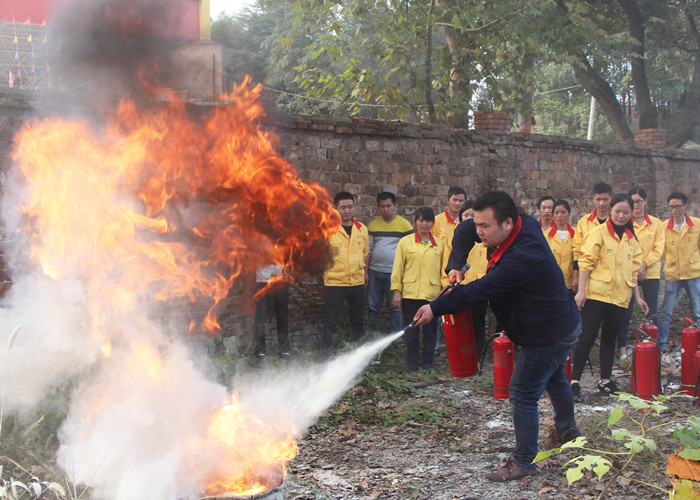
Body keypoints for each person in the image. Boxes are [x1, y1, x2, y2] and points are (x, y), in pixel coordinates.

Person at [414, 191, 582, 481]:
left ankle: (524, 461)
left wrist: (435, 307)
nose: (479, 233)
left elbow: (480, 290)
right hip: (550, 324)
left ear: (507, 223)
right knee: (554, 378)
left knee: (523, 392)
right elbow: (465, 230)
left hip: (548, 330)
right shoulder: (510, 225)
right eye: (478, 224)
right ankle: (567, 430)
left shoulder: (524, 255)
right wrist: (456, 263)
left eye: (485, 227)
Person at [570, 193, 649, 401]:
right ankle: (574, 382)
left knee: (609, 339)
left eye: (626, 212)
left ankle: (605, 381)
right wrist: (582, 291)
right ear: (610, 210)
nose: (621, 216)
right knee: (587, 337)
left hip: (620, 297)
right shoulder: (599, 232)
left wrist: (638, 297)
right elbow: (586, 262)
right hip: (597, 295)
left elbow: (633, 272)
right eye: (617, 211)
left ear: (632, 213)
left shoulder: (632, 238)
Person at [391, 207, 446, 371]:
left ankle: (428, 363)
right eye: (421, 220)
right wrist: (396, 291)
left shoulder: (440, 244)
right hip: (411, 294)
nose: (424, 224)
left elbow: (444, 270)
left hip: (432, 295)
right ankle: (412, 364)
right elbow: (398, 268)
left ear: (432, 223)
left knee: (430, 332)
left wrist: (444, 293)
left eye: (428, 221)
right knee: (412, 332)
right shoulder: (405, 242)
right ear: (415, 222)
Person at [617, 187, 665, 358]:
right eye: (633, 201)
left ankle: (656, 347)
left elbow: (658, 248)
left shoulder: (656, 224)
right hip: (630, 274)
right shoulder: (625, 223)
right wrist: (635, 269)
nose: (636, 204)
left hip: (650, 273)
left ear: (645, 201)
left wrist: (644, 265)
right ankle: (621, 348)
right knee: (625, 311)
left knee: (651, 310)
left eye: (639, 201)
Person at [321, 192, 369, 359]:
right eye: (343, 207)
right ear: (336, 209)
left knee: (358, 321)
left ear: (354, 207)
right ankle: (324, 357)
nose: (347, 211)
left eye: (350, 207)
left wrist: (363, 272)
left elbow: (365, 253)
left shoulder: (362, 229)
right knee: (330, 322)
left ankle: (361, 357)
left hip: (356, 283)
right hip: (335, 282)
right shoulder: (328, 229)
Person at [657, 191, 700, 352]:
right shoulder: (664, 226)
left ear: (685, 206)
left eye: (677, 206)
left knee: (697, 311)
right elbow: (660, 250)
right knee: (666, 312)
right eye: (671, 207)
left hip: (693, 273)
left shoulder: (696, 224)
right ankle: (662, 345)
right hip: (673, 274)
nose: (674, 210)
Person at [367, 192, 414, 334]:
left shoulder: (404, 225)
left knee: (395, 307)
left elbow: (410, 251)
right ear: (378, 207)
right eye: (382, 206)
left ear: (395, 205)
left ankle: (396, 337)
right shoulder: (374, 225)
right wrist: (365, 272)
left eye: (388, 205)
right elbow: (368, 249)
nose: (385, 209)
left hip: (394, 273)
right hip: (374, 272)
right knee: (373, 306)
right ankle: (372, 336)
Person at [458, 204, 489, 362]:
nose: (469, 220)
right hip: (461, 288)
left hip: (480, 288)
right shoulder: (458, 237)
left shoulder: (485, 238)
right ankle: (462, 359)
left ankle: (477, 360)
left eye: (472, 217)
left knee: (478, 326)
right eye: (466, 216)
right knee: (461, 328)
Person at [573, 182, 613, 291]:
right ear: (593, 199)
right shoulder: (584, 222)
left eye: (605, 199)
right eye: (598, 199)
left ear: (611, 199)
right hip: (588, 274)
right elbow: (577, 251)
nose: (601, 203)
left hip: (610, 274)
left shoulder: (616, 222)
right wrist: (576, 276)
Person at [252, 265, 291, 359]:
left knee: (282, 317)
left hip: (280, 280)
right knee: (261, 317)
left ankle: (284, 350)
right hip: (262, 280)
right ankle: (260, 350)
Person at [543, 199, 576, 292]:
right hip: (551, 282)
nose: (560, 216)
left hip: (570, 283)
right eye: (556, 213)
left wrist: (576, 278)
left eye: (563, 212)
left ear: (569, 214)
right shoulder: (546, 235)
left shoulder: (576, 234)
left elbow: (578, 259)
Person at [432, 186, 467, 253]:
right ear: (448, 200)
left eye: (461, 201)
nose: (457, 203)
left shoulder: (466, 222)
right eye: (455, 200)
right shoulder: (436, 221)